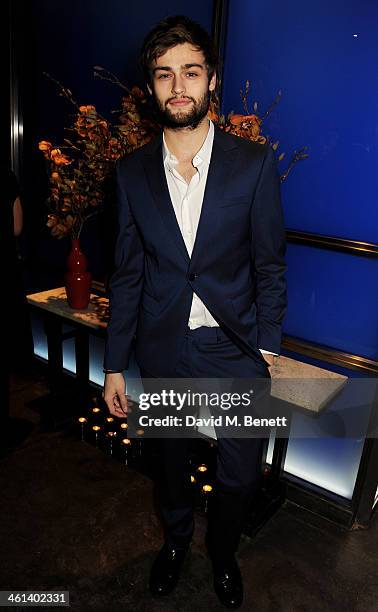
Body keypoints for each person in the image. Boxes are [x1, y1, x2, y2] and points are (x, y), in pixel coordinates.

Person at [103, 15, 287, 609]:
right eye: (164, 75)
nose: (177, 85)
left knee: (238, 477)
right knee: (171, 467)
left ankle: (224, 553)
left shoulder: (253, 165)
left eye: (190, 71)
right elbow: (128, 273)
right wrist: (113, 366)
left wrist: (267, 344)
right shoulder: (131, 173)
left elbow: (270, 263)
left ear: (211, 81)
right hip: (165, 350)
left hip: (233, 350)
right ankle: (177, 544)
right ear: (151, 89)